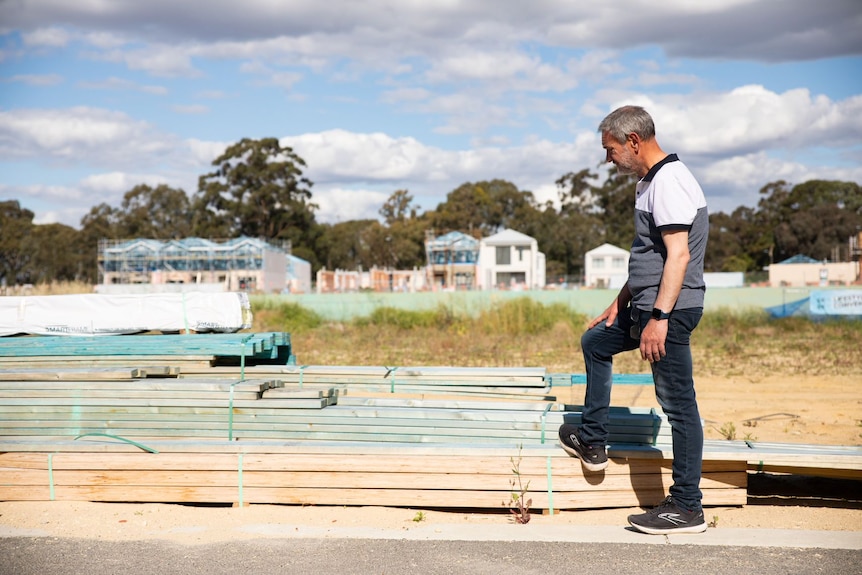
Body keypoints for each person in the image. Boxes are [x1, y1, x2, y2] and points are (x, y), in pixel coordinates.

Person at [558, 105, 709, 535]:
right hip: (644, 307)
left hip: (669, 312)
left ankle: (686, 507)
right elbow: (650, 256)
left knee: (678, 405)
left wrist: (659, 317)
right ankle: (593, 440)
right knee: (597, 341)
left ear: (633, 142)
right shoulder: (649, 183)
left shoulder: (671, 181)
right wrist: (618, 303)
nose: (608, 160)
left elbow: (678, 256)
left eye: (610, 151)